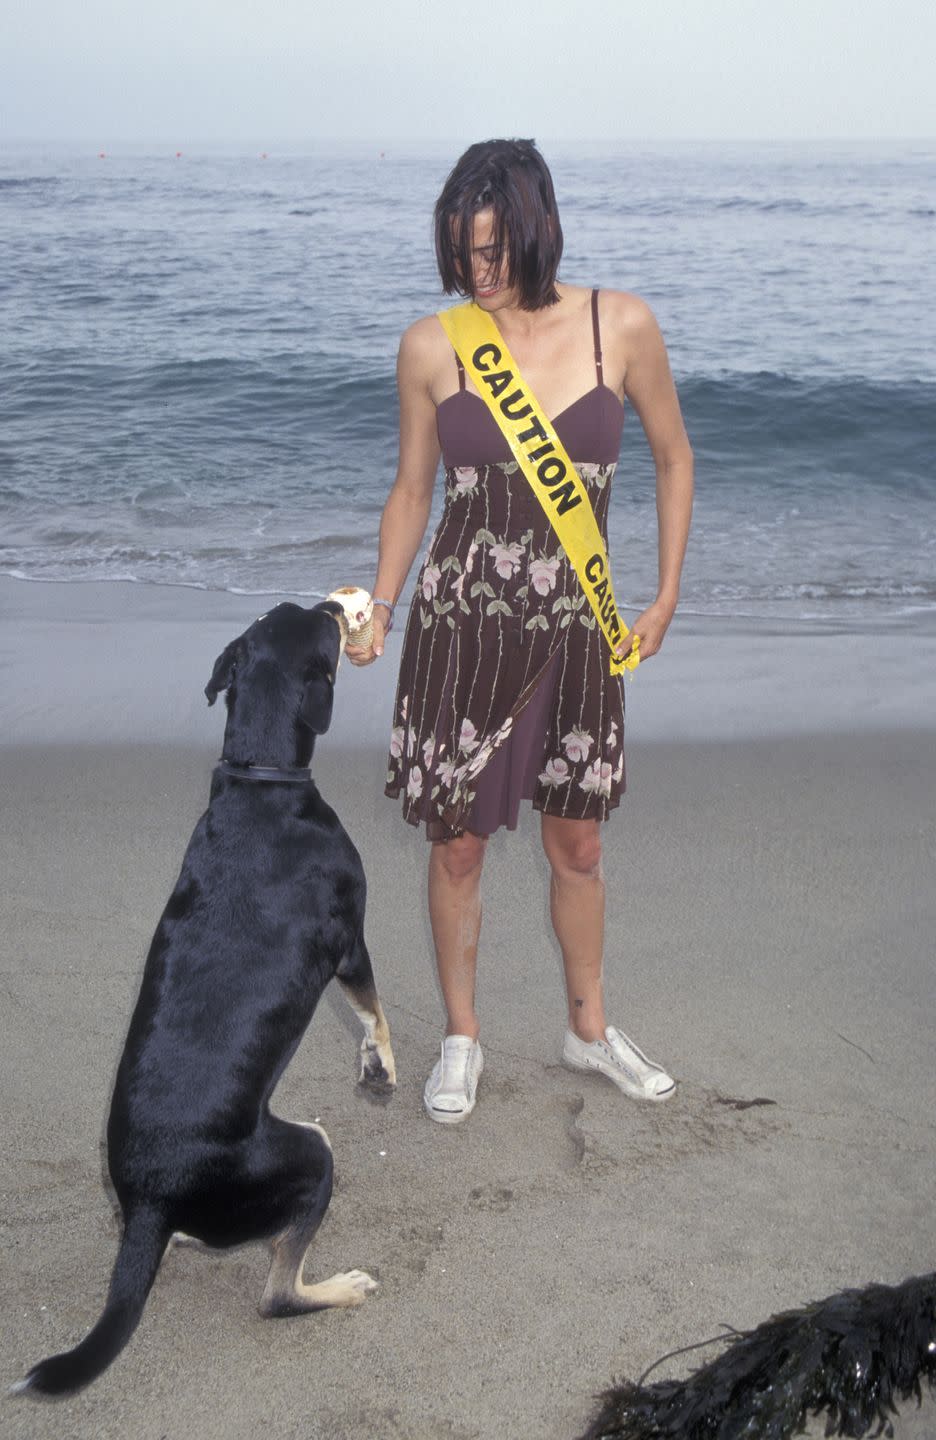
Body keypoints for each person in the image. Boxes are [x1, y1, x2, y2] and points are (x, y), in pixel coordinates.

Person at [348, 139, 693, 1124]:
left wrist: (663, 594)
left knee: (576, 843)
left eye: (494, 250)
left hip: (580, 632)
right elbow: (413, 490)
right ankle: (463, 1037)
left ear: (538, 231)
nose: (476, 272)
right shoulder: (432, 345)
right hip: (461, 630)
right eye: (461, 253)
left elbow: (674, 458)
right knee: (456, 845)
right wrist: (380, 598)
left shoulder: (618, 325)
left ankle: (588, 1031)